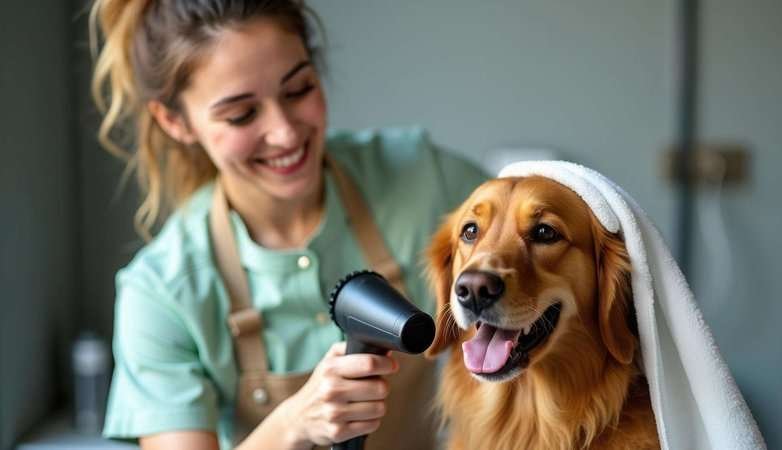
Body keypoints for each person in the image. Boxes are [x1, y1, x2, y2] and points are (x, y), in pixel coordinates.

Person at [90, 1, 487, 449]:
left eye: (298, 89)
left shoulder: (423, 181)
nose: (284, 133)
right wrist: (294, 425)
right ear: (174, 121)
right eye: (241, 115)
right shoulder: (163, 291)